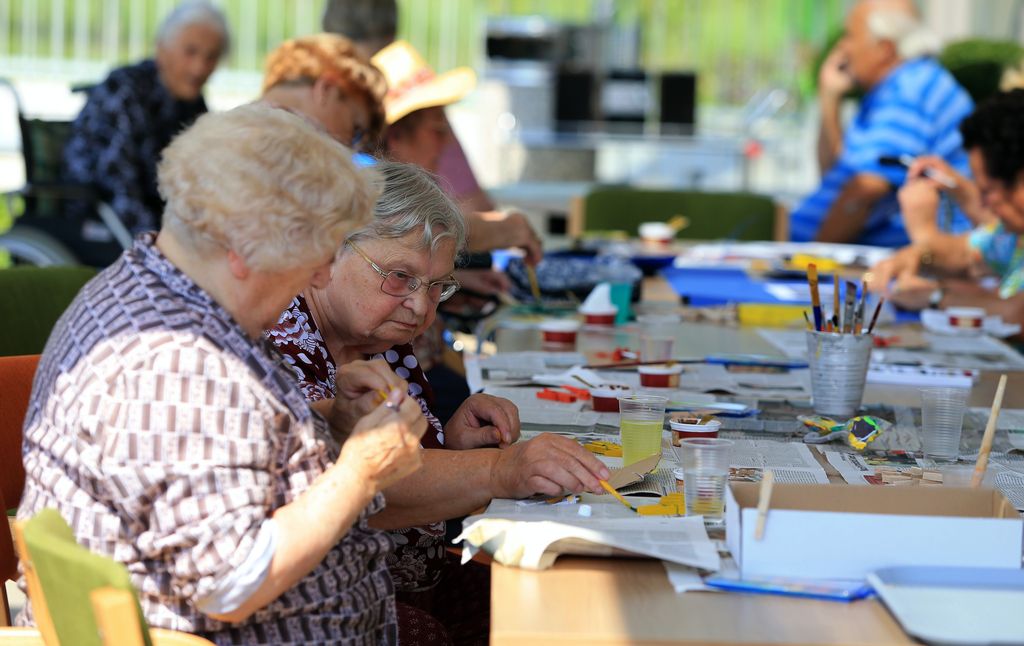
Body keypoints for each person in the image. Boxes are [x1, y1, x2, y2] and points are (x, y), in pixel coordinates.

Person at [20, 104, 422, 643]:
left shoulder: (145, 283)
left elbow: (214, 456)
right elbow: (232, 582)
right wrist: (360, 473)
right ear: (243, 249)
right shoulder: (180, 365)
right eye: (318, 251)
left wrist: (328, 420)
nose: (323, 273)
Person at [267, 160, 613, 644]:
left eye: (436, 286)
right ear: (327, 253)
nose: (419, 305)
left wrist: (450, 445)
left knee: (567, 603)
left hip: (405, 579)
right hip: (319, 606)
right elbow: (361, 490)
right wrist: (499, 469)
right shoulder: (282, 341)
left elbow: (396, 459)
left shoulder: (375, 336)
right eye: (399, 276)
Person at [789, 0, 974, 246]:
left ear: (885, 48)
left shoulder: (909, 89)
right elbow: (838, 176)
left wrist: (810, 260)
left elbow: (864, 191)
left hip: (897, 261)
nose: (842, 47)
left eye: (850, 36)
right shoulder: (895, 88)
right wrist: (830, 99)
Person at [62, 1, 228, 240]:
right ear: (162, 49)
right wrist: (164, 245)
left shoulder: (192, 103)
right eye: (190, 52)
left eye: (211, 57)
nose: (200, 67)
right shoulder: (124, 91)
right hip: (100, 219)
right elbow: (118, 186)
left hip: (155, 220)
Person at [865, 89, 1024, 322]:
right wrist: (917, 256)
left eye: (988, 191)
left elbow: (1018, 315)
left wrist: (936, 296)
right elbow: (969, 255)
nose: (983, 203)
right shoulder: (1015, 236)